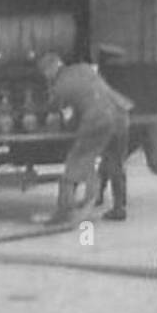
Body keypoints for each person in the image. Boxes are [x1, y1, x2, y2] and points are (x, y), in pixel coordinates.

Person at [94, 46, 157, 211]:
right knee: (120, 160)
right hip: (145, 120)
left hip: (143, 121)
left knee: (140, 161)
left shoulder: (114, 77)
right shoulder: (135, 73)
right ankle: (98, 194)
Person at [36, 52, 129, 226]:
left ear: (50, 71)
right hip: (121, 113)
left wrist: (70, 126)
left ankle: (63, 213)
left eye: (44, 74)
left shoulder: (59, 87)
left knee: (75, 163)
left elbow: (61, 114)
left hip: (97, 120)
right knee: (115, 162)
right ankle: (119, 208)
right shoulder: (84, 67)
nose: (45, 77)